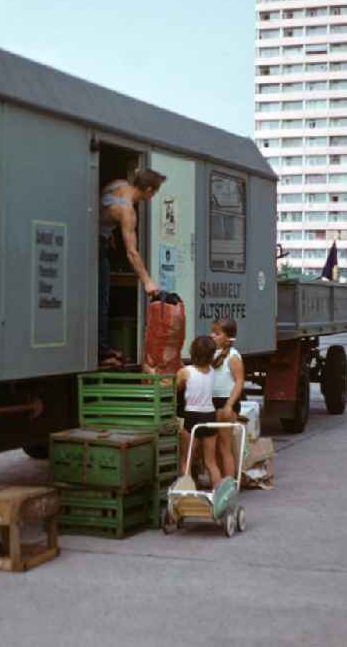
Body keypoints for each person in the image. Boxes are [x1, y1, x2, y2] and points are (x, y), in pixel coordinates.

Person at [99, 168, 166, 365]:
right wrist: (147, 281)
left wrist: (107, 231)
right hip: (96, 244)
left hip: (97, 237)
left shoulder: (117, 184)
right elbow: (131, 252)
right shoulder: (127, 211)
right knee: (102, 299)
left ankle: (102, 348)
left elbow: (100, 209)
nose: (153, 196)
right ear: (147, 190)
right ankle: (102, 353)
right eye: (154, 192)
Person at [175, 336, 221, 489]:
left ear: (192, 352)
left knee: (186, 459)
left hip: (192, 416)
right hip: (210, 415)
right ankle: (219, 495)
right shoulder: (213, 372)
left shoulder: (184, 372)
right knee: (211, 461)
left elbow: (175, 389)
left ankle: (188, 493)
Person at [210, 317, 245, 480]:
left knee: (225, 447)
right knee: (214, 446)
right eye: (212, 332)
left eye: (217, 333)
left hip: (226, 403)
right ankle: (219, 482)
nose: (212, 336)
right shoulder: (212, 353)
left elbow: (239, 382)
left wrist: (229, 405)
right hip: (211, 403)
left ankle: (229, 483)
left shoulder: (233, 356)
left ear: (228, 337)